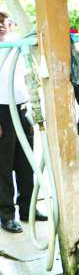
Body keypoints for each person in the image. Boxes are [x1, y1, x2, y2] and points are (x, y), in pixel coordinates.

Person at [0, 12, 44, 233]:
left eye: (3, 22)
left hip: (21, 106)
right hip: (1, 109)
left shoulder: (16, 45)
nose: (1, 26)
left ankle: (28, 208)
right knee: (3, 165)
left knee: (26, 161)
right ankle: (6, 214)